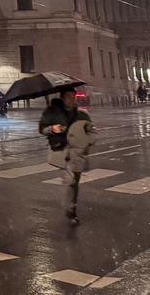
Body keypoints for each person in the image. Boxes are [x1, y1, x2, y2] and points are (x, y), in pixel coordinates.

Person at [39, 90, 94, 225]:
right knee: (70, 181)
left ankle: (72, 206)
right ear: (62, 99)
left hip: (78, 152)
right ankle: (71, 211)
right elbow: (41, 129)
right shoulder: (52, 113)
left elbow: (91, 131)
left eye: (73, 97)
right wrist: (53, 129)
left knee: (75, 182)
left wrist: (88, 142)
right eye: (68, 97)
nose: (71, 99)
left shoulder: (81, 114)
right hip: (63, 151)